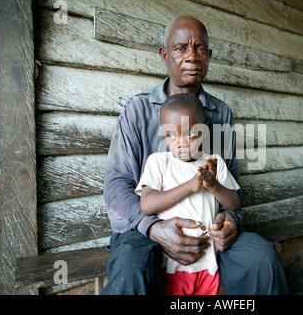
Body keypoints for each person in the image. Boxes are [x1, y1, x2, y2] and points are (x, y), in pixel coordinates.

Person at [101, 15, 289, 295]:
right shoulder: (138, 110)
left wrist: (228, 220)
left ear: (209, 57)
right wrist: (154, 228)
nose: (192, 56)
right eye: (180, 48)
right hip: (146, 230)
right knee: (131, 270)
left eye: (200, 49)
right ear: (165, 56)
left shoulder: (219, 113)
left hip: (205, 230)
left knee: (260, 259)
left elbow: (229, 184)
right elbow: (117, 187)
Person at [136, 93, 240, 294]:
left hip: (208, 263)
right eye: (170, 135)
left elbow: (234, 203)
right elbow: (146, 205)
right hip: (172, 264)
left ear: (205, 130)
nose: (180, 143)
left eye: (190, 133)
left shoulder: (213, 162)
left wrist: (213, 185)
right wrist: (189, 186)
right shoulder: (159, 162)